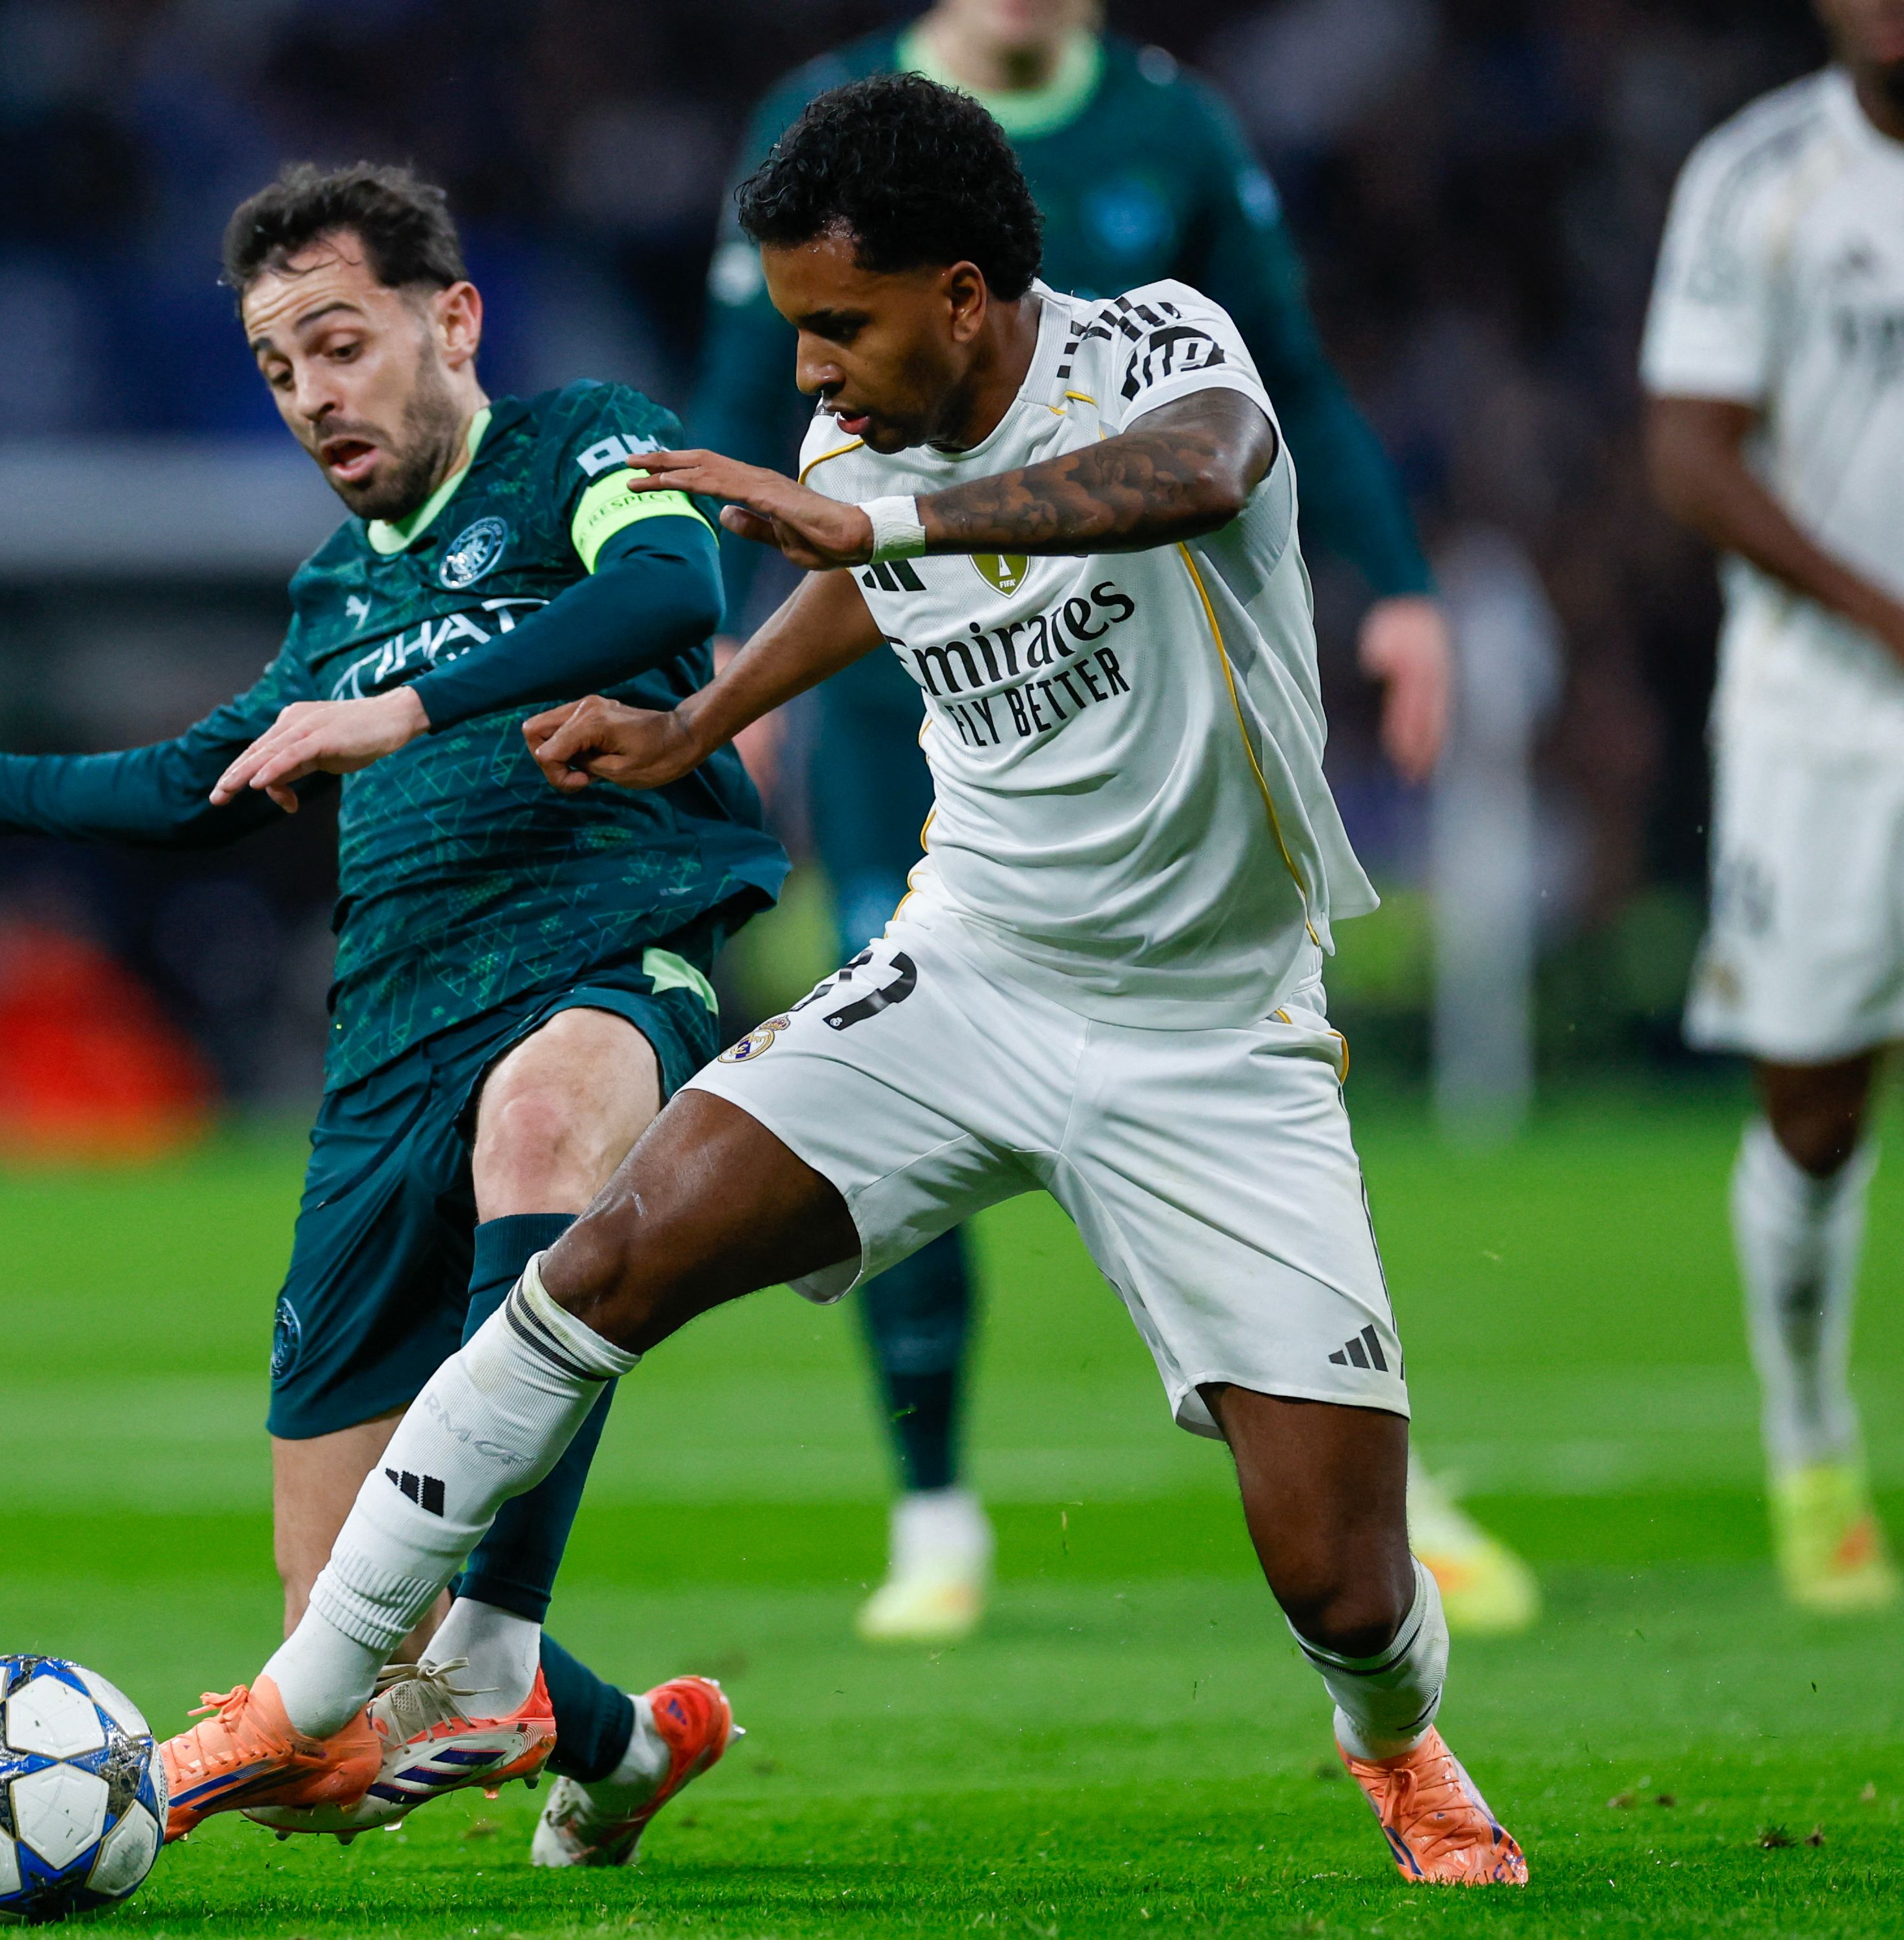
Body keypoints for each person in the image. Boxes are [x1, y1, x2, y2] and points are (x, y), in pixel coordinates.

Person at [157, 77, 1528, 1887]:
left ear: (964, 294)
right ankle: (313, 1688)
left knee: (1344, 1581)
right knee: (607, 1256)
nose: (811, 369)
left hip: (1214, 1032)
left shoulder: (1158, 352)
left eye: (839, 324)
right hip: (965, 975)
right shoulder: (863, 452)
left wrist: (881, 530)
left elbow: (1199, 477)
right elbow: (861, 588)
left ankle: (1399, 1741)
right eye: (799, 327)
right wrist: (700, 719)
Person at [0, 161, 777, 1862]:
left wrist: (404, 710)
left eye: (338, 343)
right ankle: (627, 1742)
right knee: (328, 1726)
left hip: (608, 945)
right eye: (278, 368)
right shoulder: (336, 590)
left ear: (451, 318)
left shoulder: (581, 445)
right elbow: (198, 777)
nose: (313, 393)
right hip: (386, 1044)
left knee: (543, 1117)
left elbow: (674, 601)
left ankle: (490, 1655)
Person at [689, 0, 1536, 1645]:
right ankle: (934, 1509)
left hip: (1141, 700)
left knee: (1234, 1061)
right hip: (901, 703)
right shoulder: (827, 124)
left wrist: (1399, 585)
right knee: (894, 1039)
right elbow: (750, 390)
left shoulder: (1173, 130)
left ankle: (1359, 1471)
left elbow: (1277, 384)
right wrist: (733, 668)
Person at [1642, 0, 1904, 1614]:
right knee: (1815, 1103)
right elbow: (1689, 452)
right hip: (1830, 716)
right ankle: (1811, 1441)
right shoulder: (1758, 178)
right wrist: (1882, 613)